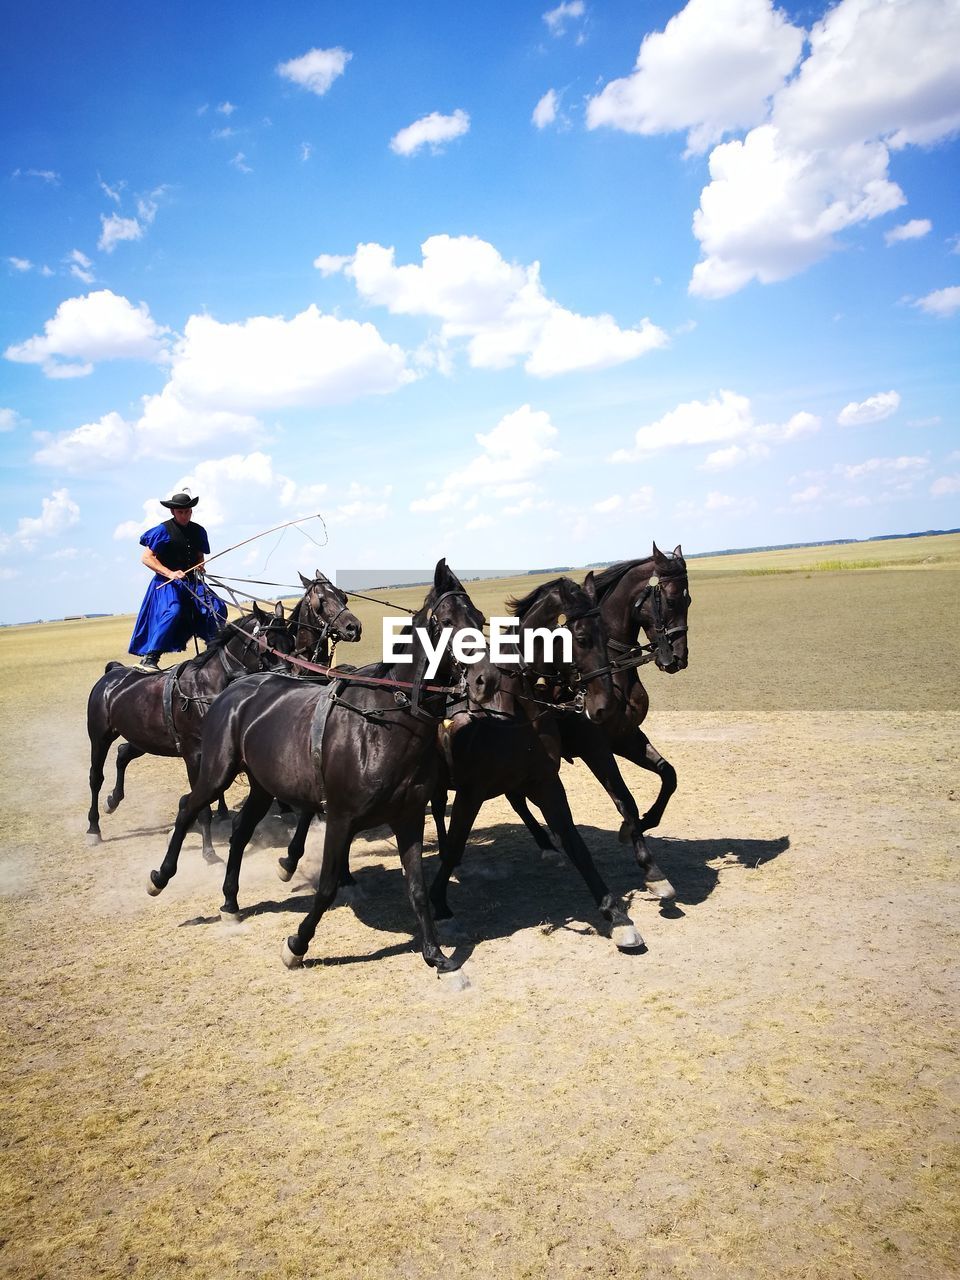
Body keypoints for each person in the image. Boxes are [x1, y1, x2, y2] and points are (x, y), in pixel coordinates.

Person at [128, 491, 227, 670]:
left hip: (191, 581)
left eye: (187, 511)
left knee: (217, 607)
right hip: (166, 583)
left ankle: (215, 650)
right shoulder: (162, 530)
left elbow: (199, 555)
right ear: (173, 512)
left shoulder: (198, 530)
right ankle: (151, 657)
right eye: (180, 512)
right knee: (173, 611)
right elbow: (147, 558)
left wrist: (200, 565)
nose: (184, 515)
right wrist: (170, 573)